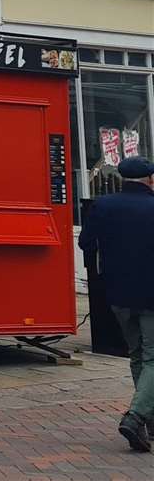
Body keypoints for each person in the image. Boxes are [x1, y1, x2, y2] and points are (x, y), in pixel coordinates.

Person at [81, 153, 154, 453]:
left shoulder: (104, 205)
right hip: (151, 295)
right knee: (153, 358)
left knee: (137, 355)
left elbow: (85, 243)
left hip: (117, 294)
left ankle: (148, 417)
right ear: (150, 179)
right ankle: (136, 416)